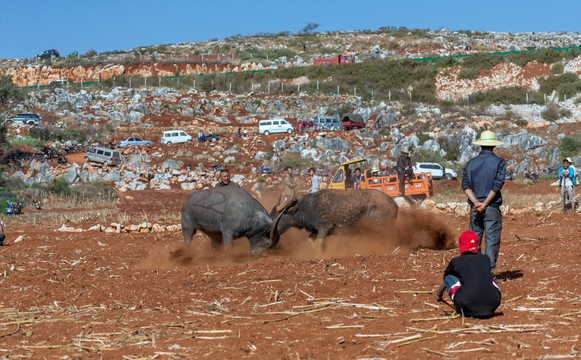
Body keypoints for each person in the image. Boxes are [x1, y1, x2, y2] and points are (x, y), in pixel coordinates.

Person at [462, 130, 505, 274]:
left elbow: (465, 185)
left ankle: (474, 273)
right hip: (491, 207)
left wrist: (476, 203)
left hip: (475, 208)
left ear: (480, 145)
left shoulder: (471, 163)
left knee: (474, 240)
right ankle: (488, 275)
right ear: (494, 145)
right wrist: (485, 203)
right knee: (492, 241)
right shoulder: (499, 162)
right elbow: (497, 184)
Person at [434, 230, 501, 318]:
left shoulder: (456, 262)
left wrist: (438, 295)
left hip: (467, 305)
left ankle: (461, 309)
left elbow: (446, 279)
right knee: (488, 278)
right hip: (493, 303)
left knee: (449, 276)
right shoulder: (485, 258)